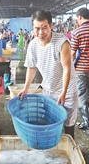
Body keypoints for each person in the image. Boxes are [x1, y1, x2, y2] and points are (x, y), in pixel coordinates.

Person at [18, 9, 78, 139]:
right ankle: (51, 147)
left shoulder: (62, 43)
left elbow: (67, 69)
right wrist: (25, 88)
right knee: (50, 121)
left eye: (44, 28)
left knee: (68, 123)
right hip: (48, 88)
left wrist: (63, 92)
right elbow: (31, 68)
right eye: (37, 28)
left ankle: (70, 147)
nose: (40, 32)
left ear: (51, 25)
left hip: (67, 90)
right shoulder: (33, 45)